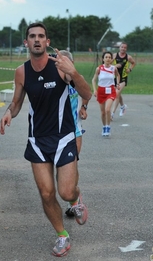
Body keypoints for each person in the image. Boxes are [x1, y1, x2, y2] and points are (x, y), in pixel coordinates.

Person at [0, 22, 92, 257]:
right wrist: (9, 112)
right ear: (26, 43)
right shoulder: (21, 72)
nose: (37, 40)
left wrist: (73, 72)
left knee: (66, 191)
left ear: (47, 42)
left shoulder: (60, 66)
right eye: (32, 36)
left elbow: (87, 94)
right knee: (47, 193)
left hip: (64, 137)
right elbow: (18, 101)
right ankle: (62, 235)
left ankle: (75, 199)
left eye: (41, 36)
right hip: (37, 141)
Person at [58, 50, 89, 217]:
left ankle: (74, 201)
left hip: (75, 129)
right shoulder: (55, 81)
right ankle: (71, 196)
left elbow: (87, 94)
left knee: (73, 164)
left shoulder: (77, 79)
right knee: (59, 170)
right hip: (56, 131)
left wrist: (84, 107)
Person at [92, 51, 120, 136]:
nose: (108, 59)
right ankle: (104, 126)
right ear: (103, 59)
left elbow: (118, 76)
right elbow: (94, 80)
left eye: (109, 57)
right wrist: (94, 90)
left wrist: (117, 84)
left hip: (111, 91)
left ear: (111, 59)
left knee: (108, 109)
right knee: (103, 112)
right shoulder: (99, 68)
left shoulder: (113, 68)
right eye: (106, 57)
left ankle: (108, 127)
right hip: (101, 91)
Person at [111, 42, 136, 120]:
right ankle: (123, 106)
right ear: (119, 47)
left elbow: (133, 63)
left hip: (123, 78)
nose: (123, 49)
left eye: (125, 47)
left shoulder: (128, 57)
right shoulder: (114, 56)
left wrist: (130, 69)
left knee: (117, 93)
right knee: (118, 93)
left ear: (126, 49)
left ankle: (112, 113)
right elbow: (107, 64)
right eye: (122, 47)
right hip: (115, 77)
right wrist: (115, 66)